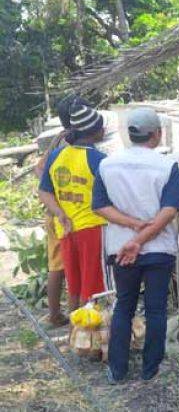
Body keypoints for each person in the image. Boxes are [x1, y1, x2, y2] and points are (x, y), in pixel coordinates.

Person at [92, 108, 179, 383]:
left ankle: (117, 370)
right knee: (156, 309)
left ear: (129, 134)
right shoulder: (167, 165)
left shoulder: (107, 165)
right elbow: (169, 211)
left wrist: (132, 229)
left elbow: (100, 207)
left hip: (121, 249)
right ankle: (150, 369)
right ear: (157, 134)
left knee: (124, 305)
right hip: (158, 250)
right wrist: (142, 237)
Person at [38, 103, 107, 310]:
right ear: (96, 132)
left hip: (65, 229)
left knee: (74, 285)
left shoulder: (56, 155)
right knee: (92, 287)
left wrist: (60, 213)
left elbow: (44, 191)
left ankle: (75, 335)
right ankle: (89, 335)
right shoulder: (99, 160)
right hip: (92, 228)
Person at [34, 95, 93, 327]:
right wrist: (59, 196)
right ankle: (65, 317)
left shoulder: (60, 138)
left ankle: (56, 314)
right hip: (67, 215)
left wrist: (51, 190)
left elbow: (39, 170)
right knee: (65, 268)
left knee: (57, 265)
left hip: (55, 212)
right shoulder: (70, 143)